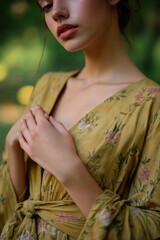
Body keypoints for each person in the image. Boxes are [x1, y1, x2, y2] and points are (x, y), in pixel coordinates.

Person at [0, 0, 160, 239]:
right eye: (46, 5)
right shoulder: (48, 86)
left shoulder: (151, 105)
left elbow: (151, 229)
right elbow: (9, 212)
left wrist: (69, 169)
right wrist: (13, 149)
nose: (56, 13)